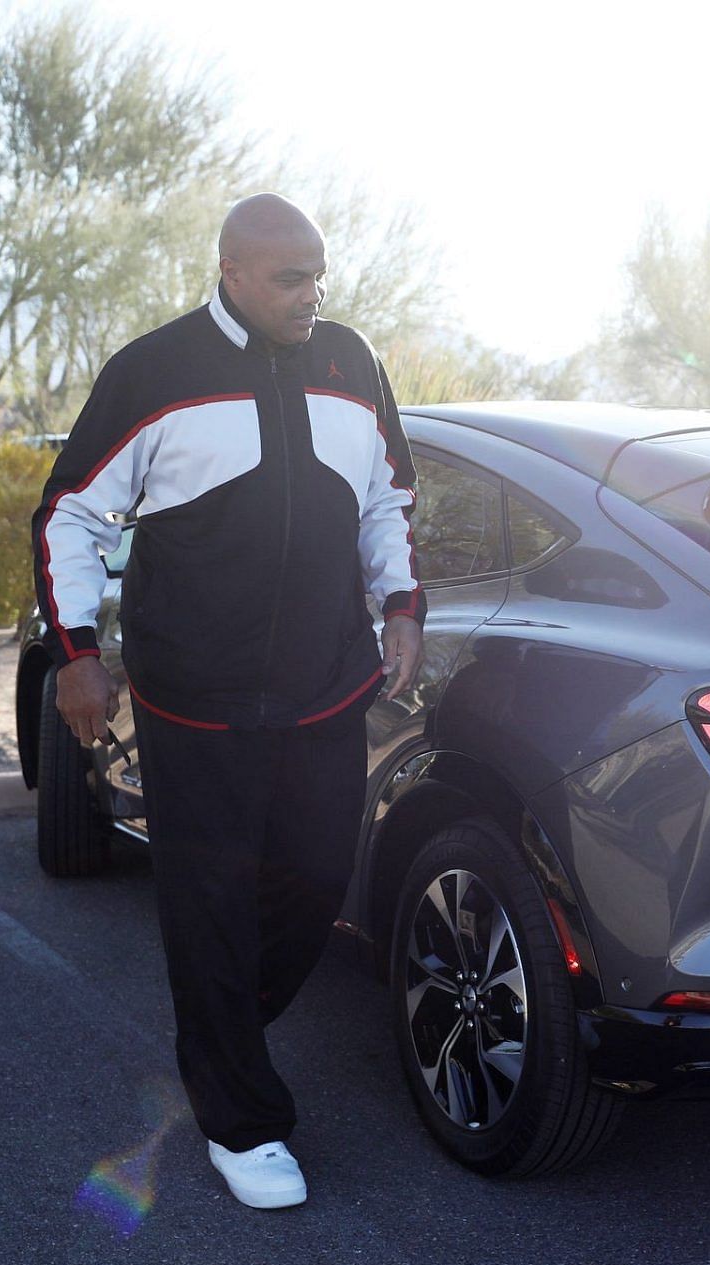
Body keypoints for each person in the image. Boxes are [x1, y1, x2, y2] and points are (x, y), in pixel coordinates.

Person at [29, 193, 425, 1210]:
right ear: (232, 271)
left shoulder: (351, 360)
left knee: (315, 876)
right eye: (290, 278)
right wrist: (77, 652)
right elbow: (73, 513)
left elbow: (389, 499)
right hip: (194, 693)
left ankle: (217, 1032)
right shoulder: (154, 370)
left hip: (325, 682)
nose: (313, 295)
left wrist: (403, 606)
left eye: (319, 275)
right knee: (206, 901)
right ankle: (240, 1119)